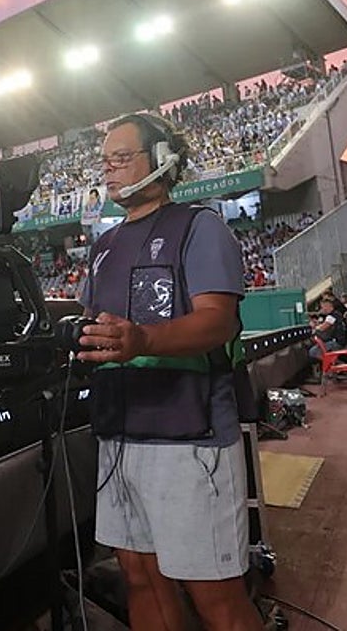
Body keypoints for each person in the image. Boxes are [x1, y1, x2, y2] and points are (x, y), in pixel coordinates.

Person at [75, 112, 263, 630]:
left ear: (159, 161)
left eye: (120, 157)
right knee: (140, 577)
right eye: (104, 160)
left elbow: (217, 322)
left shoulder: (199, 228)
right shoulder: (104, 246)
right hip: (118, 435)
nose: (108, 170)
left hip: (190, 438)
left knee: (214, 592)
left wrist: (142, 340)